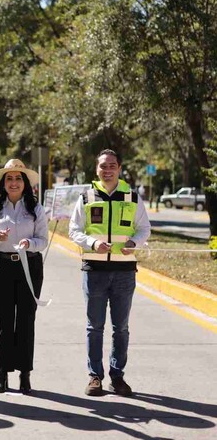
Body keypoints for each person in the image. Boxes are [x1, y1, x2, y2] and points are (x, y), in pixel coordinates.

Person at [69, 149, 151, 397]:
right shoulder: (86, 197)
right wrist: (93, 244)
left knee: (121, 328)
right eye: (103, 166)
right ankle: (95, 376)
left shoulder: (132, 197)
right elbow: (74, 230)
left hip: (124, 272)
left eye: (112, 166)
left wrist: (134, 244)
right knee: (94, 327)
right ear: (97, 170)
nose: (108, 170)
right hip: (94, 271)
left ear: (119, 168)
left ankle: (117, 376)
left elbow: (144, 228)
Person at [0, 159, 48, 394]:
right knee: (4, 321)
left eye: (18, 178)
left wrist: (30, 243)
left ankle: (25, 375)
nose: (14, 182)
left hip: (30, 267)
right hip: (2, 267)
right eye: (9, 178)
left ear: (25, 182)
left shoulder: (35, 208)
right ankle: (2, 375)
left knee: (26, 320)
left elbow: (43, 241)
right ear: (3, 183)